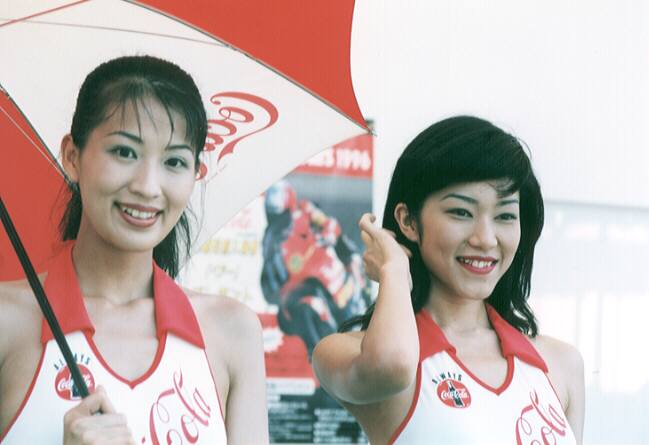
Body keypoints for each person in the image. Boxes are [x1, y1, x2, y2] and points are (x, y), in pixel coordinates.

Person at [0, 55, 268, 444]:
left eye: (174, 161)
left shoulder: (233, 331)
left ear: (195, 174)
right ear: (72, 157)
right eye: (125, 152)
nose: (147, 186)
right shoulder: (8, 320)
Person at [312, 116, 585, 444]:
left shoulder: (560, 363)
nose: (486, 239)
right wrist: (394, 269)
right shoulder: (349, 351)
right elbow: (392, 365)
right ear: (408, 221)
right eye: (461, 212)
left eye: (505, 216)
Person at [260, 180, 366, 356]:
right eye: (274, 216)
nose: (279, 221)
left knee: (352, 257)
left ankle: (362, 289)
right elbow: (269, 280)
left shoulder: (305, 209)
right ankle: (318, 352)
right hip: (305, 284)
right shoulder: (270, 241)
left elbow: (329, 223)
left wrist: (327, 234)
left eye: (281, 215)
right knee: (296, 311)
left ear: (289, 205)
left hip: (328, 267)